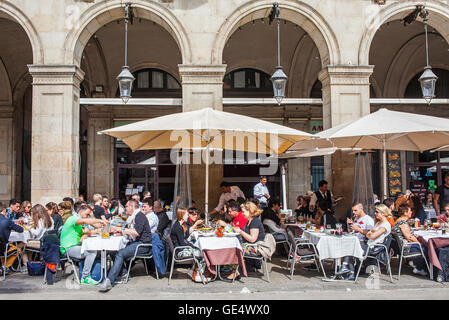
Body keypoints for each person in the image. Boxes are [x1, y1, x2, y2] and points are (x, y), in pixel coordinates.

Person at [99, 199, 153, 292]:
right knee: (113, 251)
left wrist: (121, 230)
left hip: (143, 245)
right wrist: (121, 232)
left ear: (132, 207)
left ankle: (109, 280)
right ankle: (124, 274)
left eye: (127, 206)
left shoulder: (139, 216)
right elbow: (131, 232)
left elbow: (136, 232)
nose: (125, 208)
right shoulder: (134, 216)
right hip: (136, 242)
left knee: (120, 254)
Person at [337, 203, 392, 280]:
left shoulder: (385, 225)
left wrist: (365, 232)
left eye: (377, 212)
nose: (375, 213)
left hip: (374, 247)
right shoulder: (378, 223)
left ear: (383, 213)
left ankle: (347, 269)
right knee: (350, 245)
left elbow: (372, 236)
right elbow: (369, 233)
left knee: (351, 246)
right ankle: (347, 269)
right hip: (369, 244)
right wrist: (368, 233)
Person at [60, 204, 108, 285]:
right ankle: (85, 277)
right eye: (87, 214)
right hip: (67, 248)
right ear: (81, 212)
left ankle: (99, 274)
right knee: (91, 252)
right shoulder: (73, 218)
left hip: (75, 246)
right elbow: (85, 222)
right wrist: (99, 220)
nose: (88, 217)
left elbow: (88, 232)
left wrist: (98, 229)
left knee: (97, 250)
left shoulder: (79, 222)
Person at [231, 201, 266, 279]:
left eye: (243, 212)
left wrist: (240, 231)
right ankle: (234, 270)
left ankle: (235, 272)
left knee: (233, 249)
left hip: (255, 248)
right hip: (250, 246)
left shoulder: (255, 221)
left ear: (250, 211)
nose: (242, 213)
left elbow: (252, 239)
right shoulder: (249, 222)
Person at [392, 203, 429, 276]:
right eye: (409, 211)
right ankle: (419, 267)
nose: (411, 212)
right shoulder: (403, 223)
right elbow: (409, 237)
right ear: (405, 213)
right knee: (426, 248)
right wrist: (419, 242)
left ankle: (416, 264)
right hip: (406, 248)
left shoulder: (398, 221)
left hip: (402, 247)